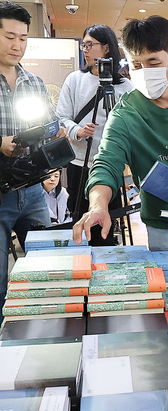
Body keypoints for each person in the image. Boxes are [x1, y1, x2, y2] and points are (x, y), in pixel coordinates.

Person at [72, 16, 168, 251]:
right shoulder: (125, 114)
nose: (144, 73)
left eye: (153, 63)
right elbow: (106, 163)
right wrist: (98, 205)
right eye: (135, 65)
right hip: (164, 223)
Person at [0, 1, 61, 322]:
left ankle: (42, 332)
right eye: (10, 36)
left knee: (46, 270)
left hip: (34, 190)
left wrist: (54, 133)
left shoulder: (35, 83)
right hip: (0, 192)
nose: (17, 45)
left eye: (23, 38)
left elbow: (50, 124)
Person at [56, 24, 134, 244]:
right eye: (84, 45)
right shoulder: (74, 80)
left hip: (111, 166)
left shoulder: (125, 87)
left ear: (107, 48)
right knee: (78, 216)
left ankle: (106, 262)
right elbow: (61, 116)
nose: (85, 50)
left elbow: (132, 125)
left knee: (107, 221)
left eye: (90, 45)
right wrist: (77, 131)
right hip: (79, 163)